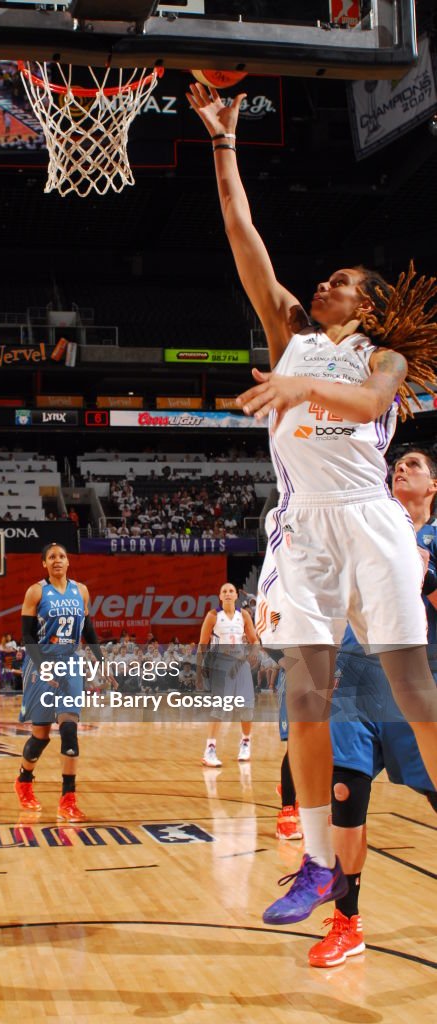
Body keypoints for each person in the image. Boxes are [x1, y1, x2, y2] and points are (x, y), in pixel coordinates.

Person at [188, 80, 437, 926]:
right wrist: (222, 142)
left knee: (413, 693)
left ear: (364, 302)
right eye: (322, 280)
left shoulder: (385, 360)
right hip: (302, 532)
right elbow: (241, 235)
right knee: (303, 703)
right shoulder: (288, 329)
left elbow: (368, 412)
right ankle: (317, 865)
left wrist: (298, 385)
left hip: (368, 521)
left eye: (336, 281)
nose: (319, 285)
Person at [307, 448, 437, 966]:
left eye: (415, 465)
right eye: (397, 464)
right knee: (345, 792)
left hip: (416, 683)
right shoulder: (368, 526)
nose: (401, 469)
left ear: (434, 486)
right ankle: (347, 923)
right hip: (359, 677)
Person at [14, 542, 103, 822]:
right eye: (51, 557)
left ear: (68, 561)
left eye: (62, 556)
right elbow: (28, 637)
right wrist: (43, 668)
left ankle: (68, 799)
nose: (57, 560)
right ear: (44, 563)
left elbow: (87, 628)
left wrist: (100, 659)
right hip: (41, 663)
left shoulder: (82, 591)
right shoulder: (36, 591)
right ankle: (24, 781)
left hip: (71, 662)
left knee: (69, 729)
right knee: (41, 736)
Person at [197, 582, 258, 766]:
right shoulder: (213, 616)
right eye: (225, 591)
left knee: (247, 707)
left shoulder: (244, 615)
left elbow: (254, 640)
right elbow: (202, 643)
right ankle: (210, 749)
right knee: (219, 709)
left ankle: (245, 742)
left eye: (231, 591)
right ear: (220, 596)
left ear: (236, 596)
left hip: (241, 665)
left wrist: (253, 653)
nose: (229, 593)